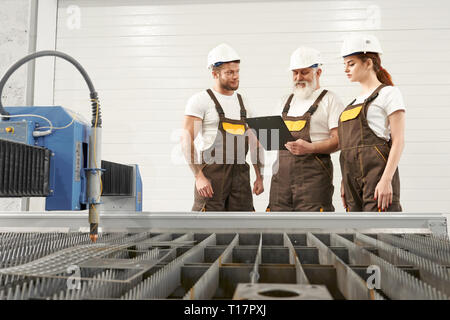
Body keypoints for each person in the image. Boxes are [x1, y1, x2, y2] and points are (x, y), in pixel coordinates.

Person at [181, 43, 264, 211]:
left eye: (237, 71)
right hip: (212, 178)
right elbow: (186, 140)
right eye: (229, 72)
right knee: (207, 230)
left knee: (244, 230)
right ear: (215, 74)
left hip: (240, 177)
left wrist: (259, 176)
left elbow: (255, 143)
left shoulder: (244, 103)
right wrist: (199, 176)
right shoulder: (201, 100)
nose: (235, 76)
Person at [267, 47, 345, 212]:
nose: (298, 77)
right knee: (276, 233)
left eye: (304, 72)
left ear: (318, 72)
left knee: (313, 230)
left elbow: (339, 141)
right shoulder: (284, 102)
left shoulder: (330, 100)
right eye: (295, 73)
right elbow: (273, 140)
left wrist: (310, 148)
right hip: (280, 185)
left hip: (313, 185)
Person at [339, 34, 406, 212]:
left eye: (351, 63)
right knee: (356, 237)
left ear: (368, 63)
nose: (346, 69)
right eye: (344, 64)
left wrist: (386, 180)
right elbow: (348, 148)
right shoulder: (352, 103)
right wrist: (344, 181)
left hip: (377, 178)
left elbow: (398, 141)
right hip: (352, 184)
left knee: (381, 235)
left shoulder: (389, 94)